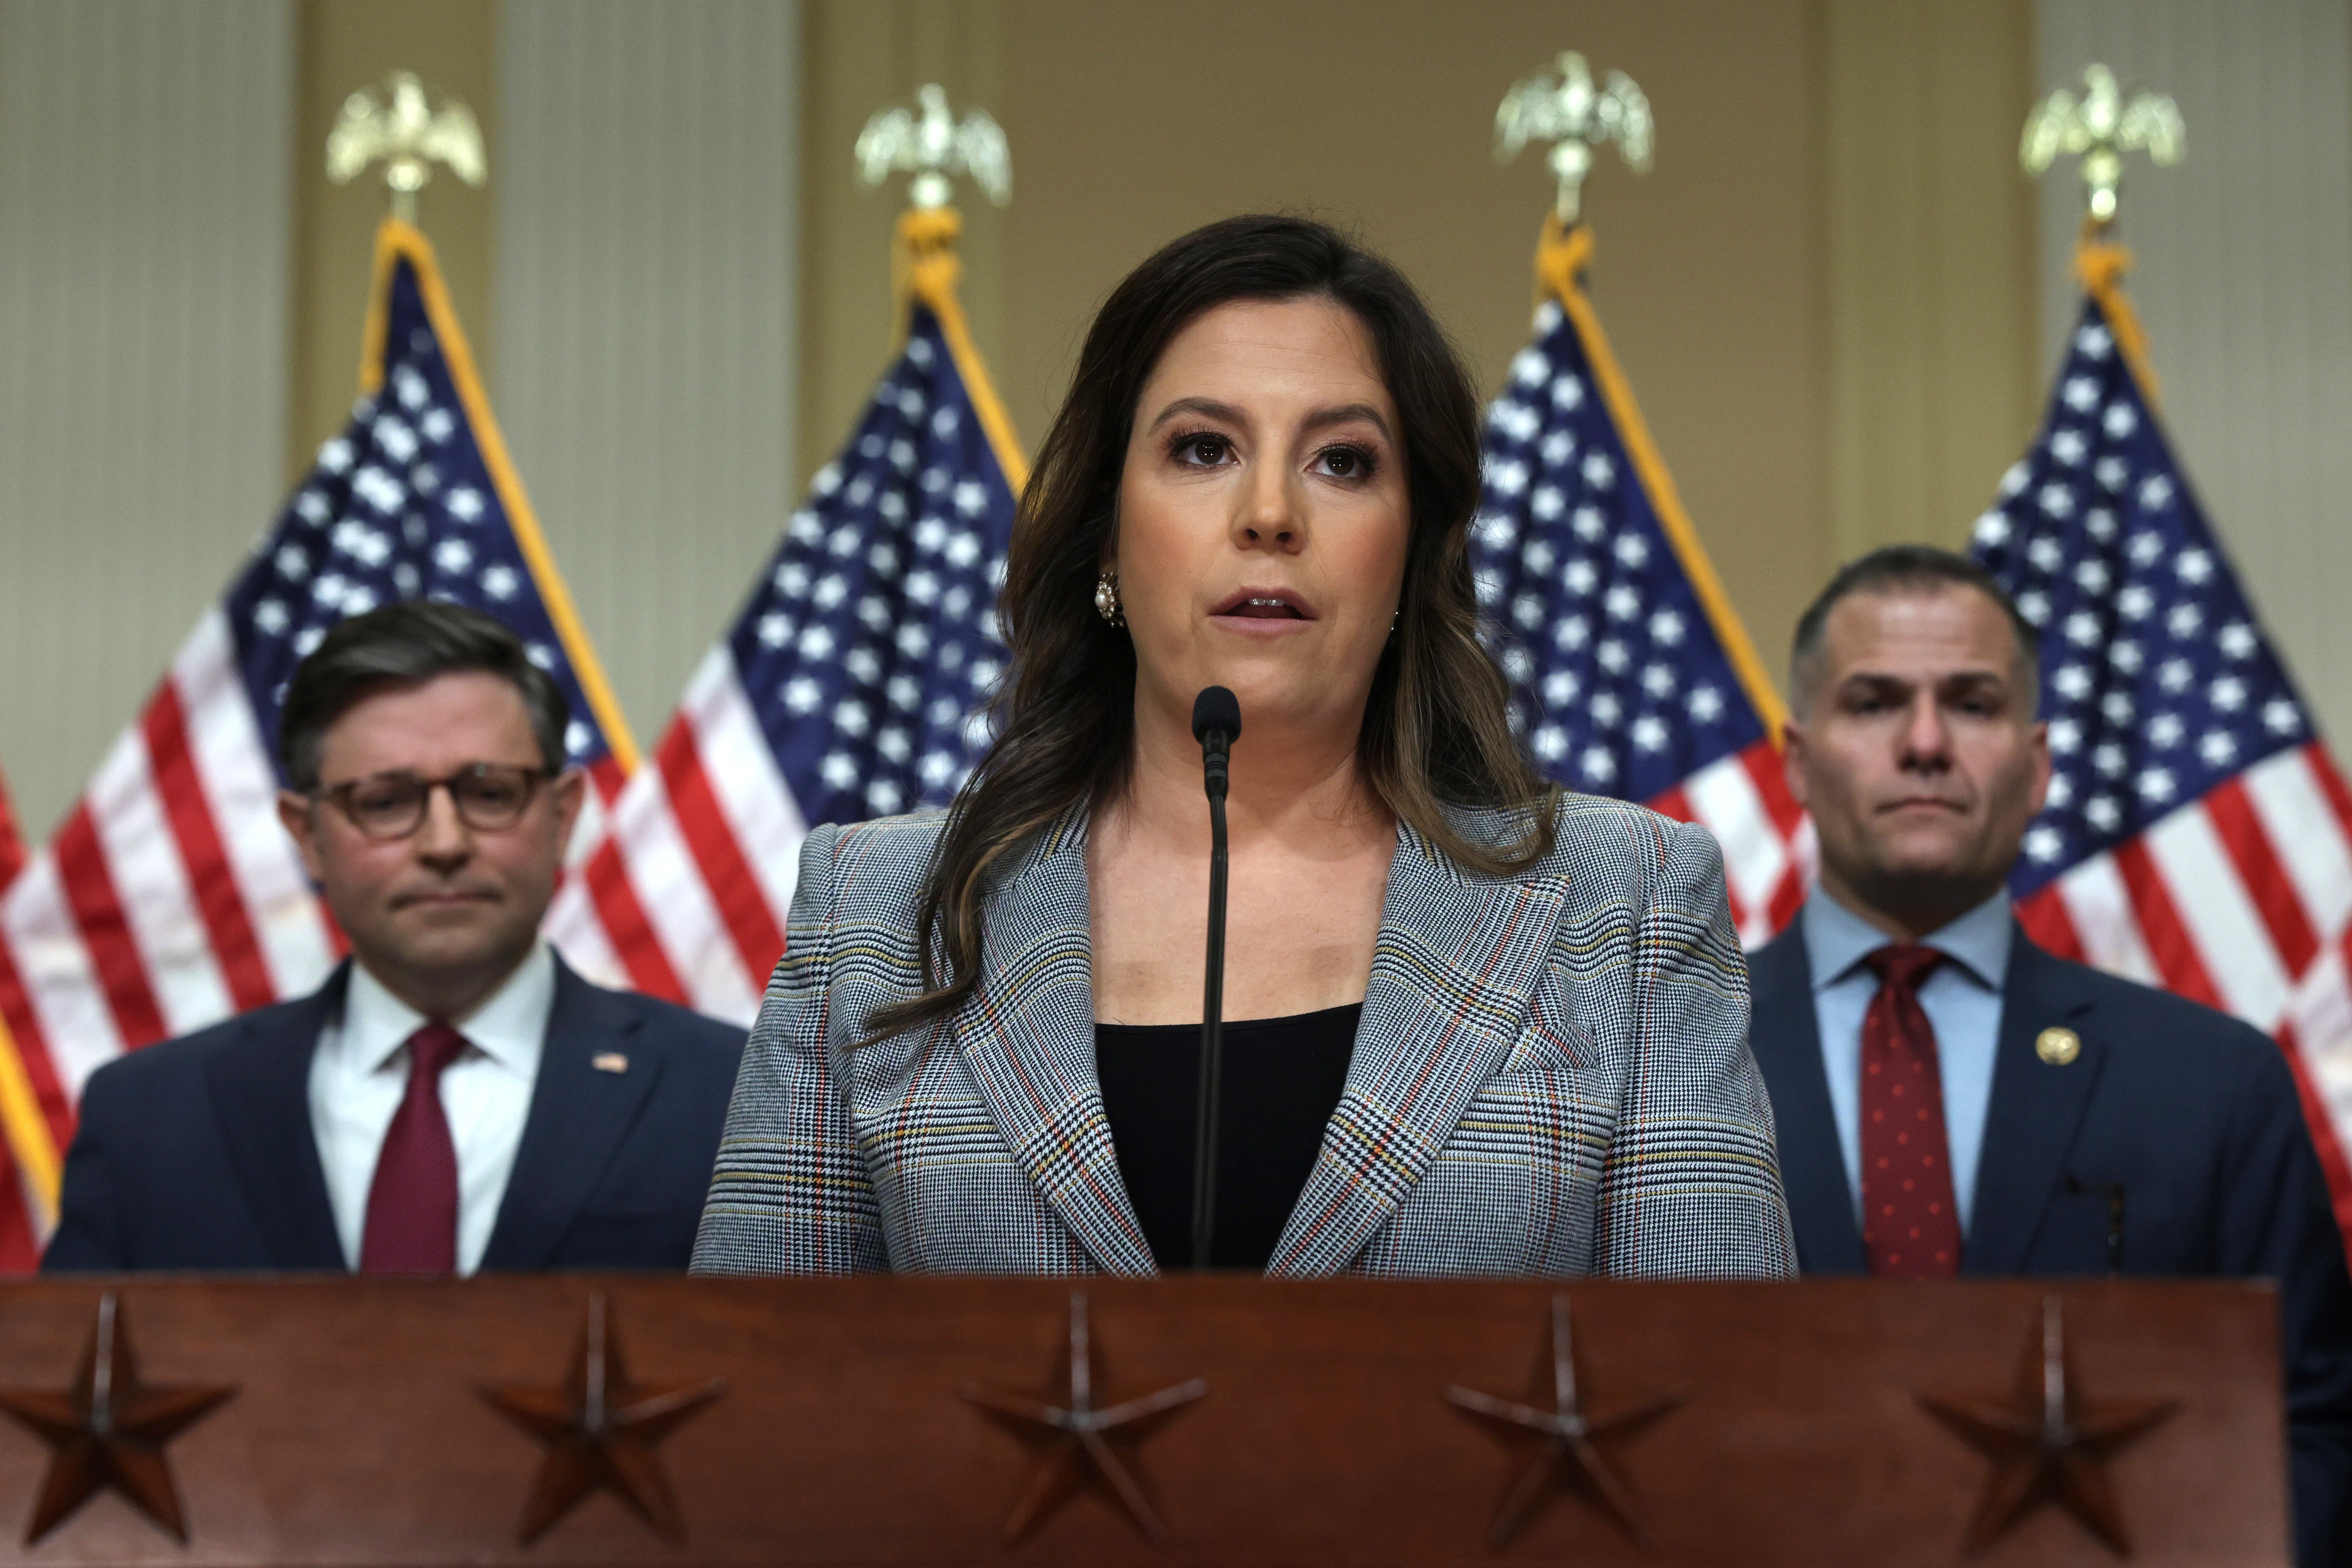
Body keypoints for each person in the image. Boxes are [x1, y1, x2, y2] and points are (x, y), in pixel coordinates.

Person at [693, 215, 1793, 1279]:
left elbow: (1716, 1402)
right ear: (1107, 534)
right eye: (1203, 448)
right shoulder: (880, 910)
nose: (1269, 512)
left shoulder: (1623, 902)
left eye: (1342, 462)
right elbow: (756, 1410)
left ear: (1411, 551)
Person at [1750, 545, 2352, 1563]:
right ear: (1797, 761)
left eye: (1972, 702)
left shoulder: (2212, 1084)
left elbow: (2312, 1433)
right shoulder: (1656, 1055)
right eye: (1874, 701)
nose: (1926, 741)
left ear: (2036, 768)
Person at [45, 603, 744, 1273]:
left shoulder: (730, 1097)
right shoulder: (149, 1118)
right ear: (307, 835)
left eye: (490, 792)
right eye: (384, 802)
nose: (445, 843)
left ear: (562, 816)